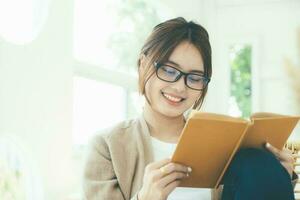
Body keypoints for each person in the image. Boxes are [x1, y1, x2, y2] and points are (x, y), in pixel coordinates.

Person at [83, 17, 298, 200]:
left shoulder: (221, 142)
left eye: (194, 77)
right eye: (168, 70)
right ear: (142, 64)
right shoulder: (107, 147)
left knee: (257, 161)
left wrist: (276, 177)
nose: (179, 87)